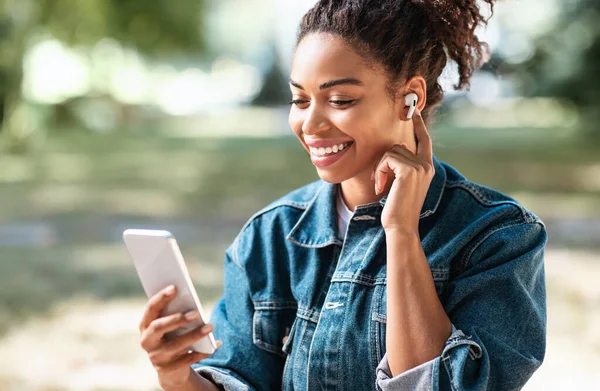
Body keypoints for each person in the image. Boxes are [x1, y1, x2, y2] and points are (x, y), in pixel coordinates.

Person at [138, 0, 547, 390]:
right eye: (300, 99)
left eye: (339, 100)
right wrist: (177, 378)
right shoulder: (269, 237)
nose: (310, 124)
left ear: (411, 99)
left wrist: (401, 231)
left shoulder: (498, 237)